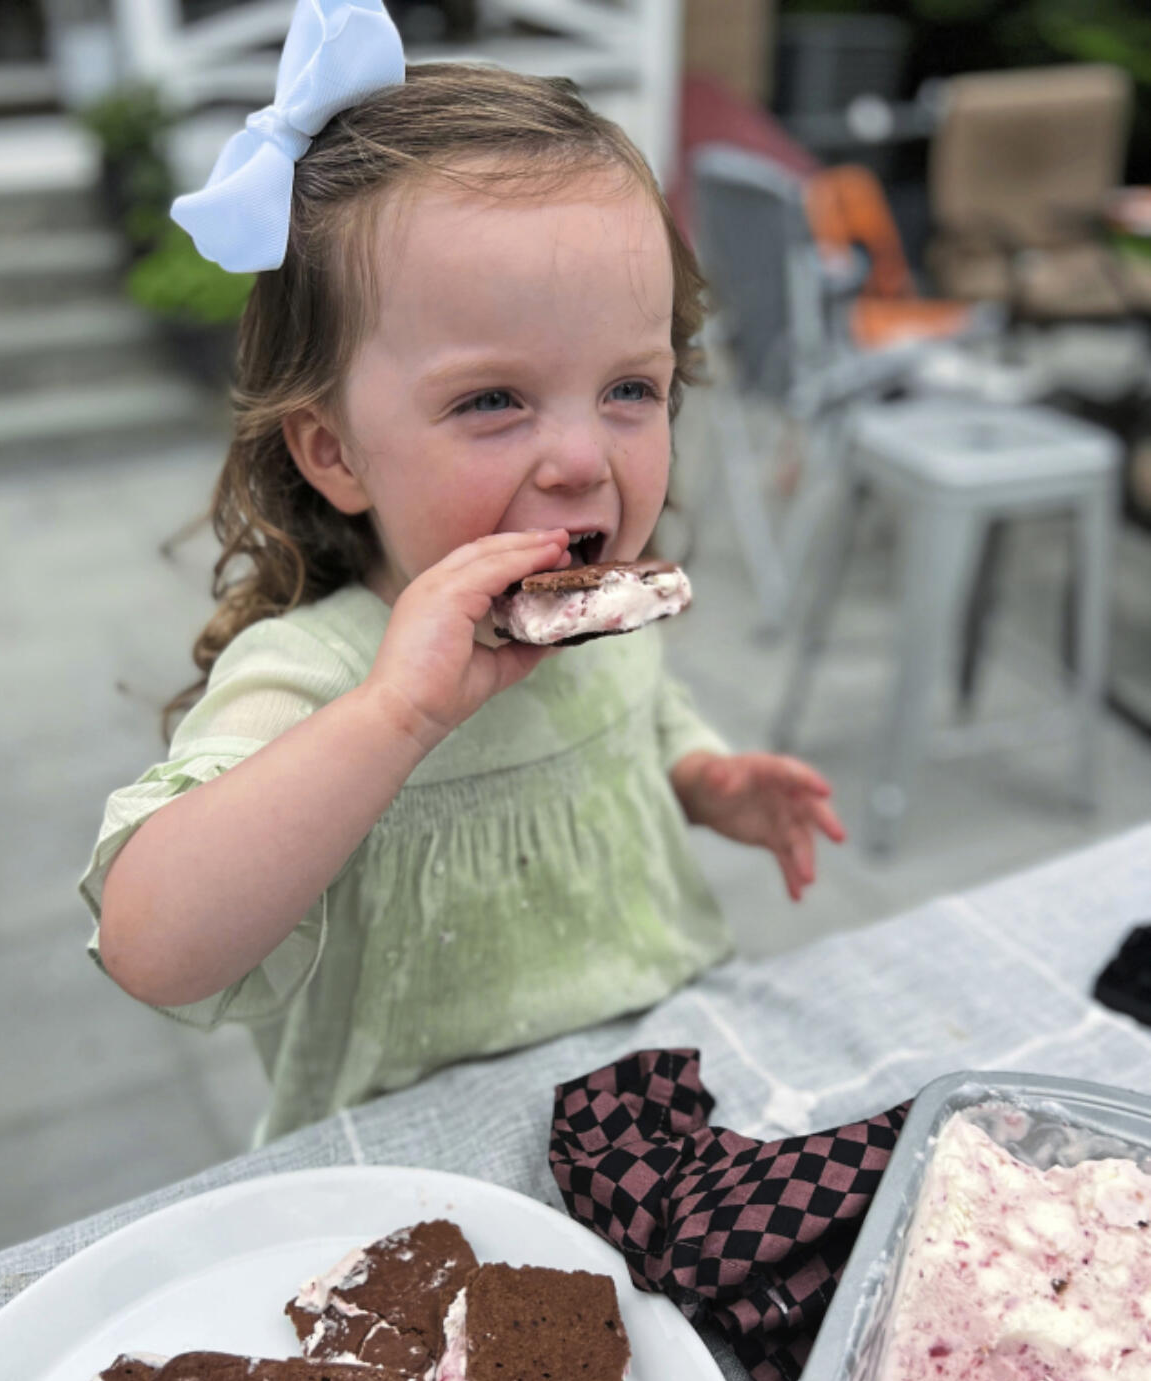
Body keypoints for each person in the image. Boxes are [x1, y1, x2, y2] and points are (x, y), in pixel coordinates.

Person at [82, 0, 845, 1145]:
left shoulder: (592, 619)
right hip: (420, 1192)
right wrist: (392, 717)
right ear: (333, 451)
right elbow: (154, 947)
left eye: (632, 388)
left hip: (656, 1124)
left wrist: (699, 781)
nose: (584, 458)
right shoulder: (311, 678)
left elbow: (639, 718)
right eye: (492, 400)